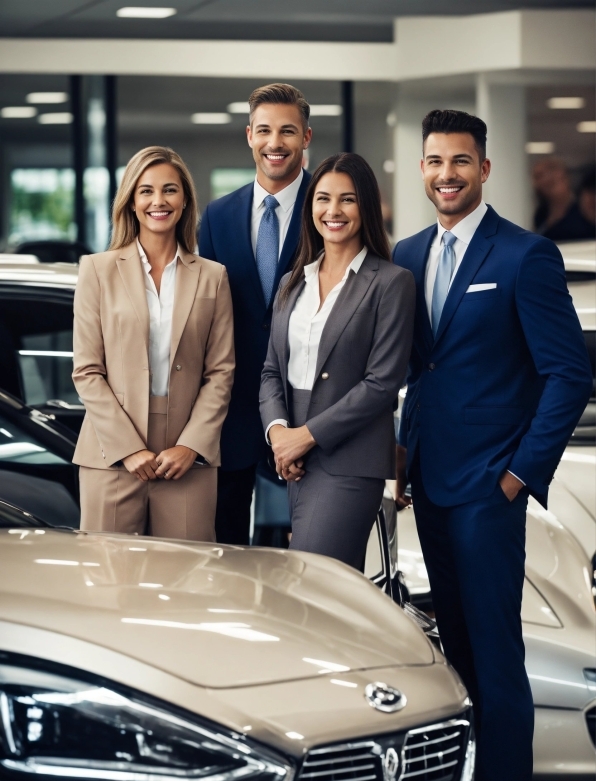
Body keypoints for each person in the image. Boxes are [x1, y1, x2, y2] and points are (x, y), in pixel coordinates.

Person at [392, 110, 592, 781]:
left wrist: (518, 474)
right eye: (434, 161)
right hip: (428, 488)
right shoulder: (407, 254)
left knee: (500, 665)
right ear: (421, 170)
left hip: (487, 490)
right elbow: (420, 371)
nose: (446, 174)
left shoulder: (524, 255)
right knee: (462, 660)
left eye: (460, 161)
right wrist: (400, 461)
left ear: (484, 167)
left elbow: (569, 373)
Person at [260, 153, 415, 570]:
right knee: (324, 597)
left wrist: (305, 435)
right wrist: (279, 435)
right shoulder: (294, 282)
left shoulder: (391, 282)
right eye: (323, 199)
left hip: (350, 462)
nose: (333, 211)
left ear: (365, 206)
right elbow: (272, 371)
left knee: (312, 583)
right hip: (293, 462)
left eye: (347, 200)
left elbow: (382, 384)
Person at [72, 146, 234, 540]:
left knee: (186, 582)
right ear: (130, 201)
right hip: (111, 453)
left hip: (187, 458)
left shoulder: (213, 276)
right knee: (110, 584)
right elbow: (87, 371)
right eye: (146, 191)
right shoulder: (97, 270)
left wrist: (191, 446)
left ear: (185, 201)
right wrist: (128, 448)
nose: (158, 201)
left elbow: (221, 372)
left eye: (169, 190)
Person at [199, 83, 312, 546]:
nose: (275, 143)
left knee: (315, 561)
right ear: (249, 135)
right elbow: (204, 315)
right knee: (225, 554)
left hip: (310, 414)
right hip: (233, 414)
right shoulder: (218, 216)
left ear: (306, 137)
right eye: (264, 130)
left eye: (288, 131)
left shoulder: (328, 210)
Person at [532, 156, 595, 241]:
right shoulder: (541, 214)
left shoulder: (585, 207)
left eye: (551, 171)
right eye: (538, 176)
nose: (544, 179)